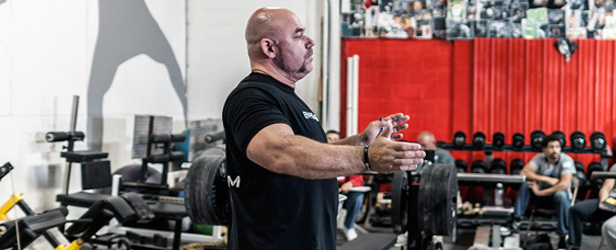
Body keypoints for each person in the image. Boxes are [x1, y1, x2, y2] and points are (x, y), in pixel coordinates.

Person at [222, 8, 425, 250]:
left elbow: (313, 151)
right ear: (269, 48)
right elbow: (282, 153)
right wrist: (366, 158)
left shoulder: (287, 98)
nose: (310, 42)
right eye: (298, 36)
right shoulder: (251, 97)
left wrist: (360, 142)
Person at [512, 135, 576, 248]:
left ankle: (563, 235)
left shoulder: (566, 160)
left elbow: (564, 185)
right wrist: (547, 179)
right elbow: (524, 172)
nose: (555, 150)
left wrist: (539, 192)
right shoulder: (539, 158)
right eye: (551, 147)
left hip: (558, 200)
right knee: (526, 185)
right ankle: (516, 221)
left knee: (561, 194)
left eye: (557, 147)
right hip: (541, 198)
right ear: (544, 149)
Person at [327, 130, 365, 241]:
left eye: (335, 139)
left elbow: (358, 179)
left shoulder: (347, 157)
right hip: (327, 195)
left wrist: (351, 183)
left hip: (345, 195)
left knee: (358, 196)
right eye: (330, 139)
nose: (333, 142)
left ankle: (349, 226)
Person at [567, 164, 616, 250]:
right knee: (576, 210)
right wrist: (603, 202)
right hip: (612, 201)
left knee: (609, 227)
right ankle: (574, 246)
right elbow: (606, 187)